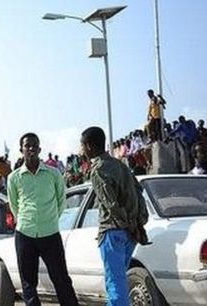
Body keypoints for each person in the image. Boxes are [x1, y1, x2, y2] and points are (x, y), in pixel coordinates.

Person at [6, 133, 78, 306]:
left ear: (39, 149)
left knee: (61, 280)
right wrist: (25, 221)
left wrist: (50, 220)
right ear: (21, 150)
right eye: (27, 146)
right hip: (25, 234)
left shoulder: (53, 174)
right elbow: (14, 205)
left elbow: (61, 202)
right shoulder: (14, 177)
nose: (31, 149)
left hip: (50, 234)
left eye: (34, 145)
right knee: (28, 284)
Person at [82, 126, 149, 306]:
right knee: (118, 281)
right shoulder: (121, 165)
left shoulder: (97, 169)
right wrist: (136, 224)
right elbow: (138, 193)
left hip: (113, 231)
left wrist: (127, 224)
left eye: (82, 146)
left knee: (115, 284)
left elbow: (110, 204)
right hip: (130, 233)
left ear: (88, 146)